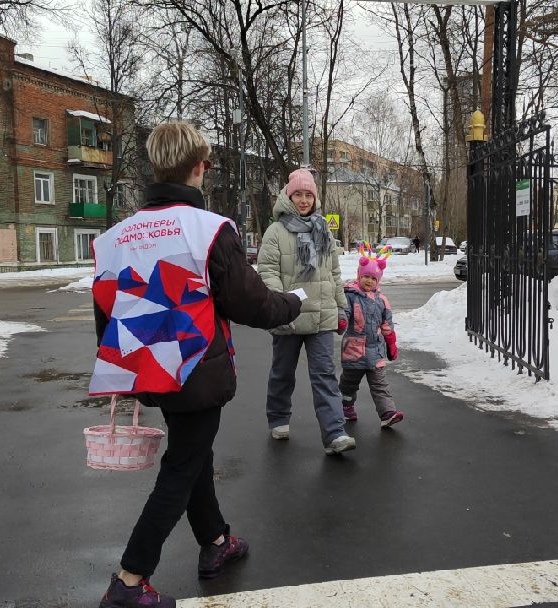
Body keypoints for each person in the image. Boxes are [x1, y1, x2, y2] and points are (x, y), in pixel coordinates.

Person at [91, 122, 302, 608]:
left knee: (194, 454)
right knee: (183, 464)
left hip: (149, 368)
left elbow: (107, 310)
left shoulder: (116, 236)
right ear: (199, 167)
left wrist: (123, 372)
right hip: (194, 370)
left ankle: (216, 542)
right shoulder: (209, 230)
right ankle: (128, 580)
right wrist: (292, 303)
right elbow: (250, 305)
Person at [258, 168, 356, 455]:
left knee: (325, 374)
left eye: (308, 195)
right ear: (288, 196)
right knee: (282, 372)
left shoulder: (322, 228)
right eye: (298, 194)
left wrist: (341, 307)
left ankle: (335, 433)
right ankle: (278, 417)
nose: (303, 200)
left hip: (322, 317)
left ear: (315, 198)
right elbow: (267, 272)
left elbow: (334, 274)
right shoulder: (276, 232)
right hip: (289, 315)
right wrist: (280, 305)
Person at [339, 245, 404, 427]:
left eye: (372, 278)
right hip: (354, 349)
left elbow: (387, 325)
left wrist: (391, 343)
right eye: (365, 276)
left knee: (379, 384)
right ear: (359, 276)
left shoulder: (382, 300)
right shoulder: (350, 296)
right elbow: (344, 311)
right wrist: (342, 320)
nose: (368, 281)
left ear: (378, 280)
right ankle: (345, 405)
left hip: (375, 350)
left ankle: (387, 414)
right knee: (349, 383)